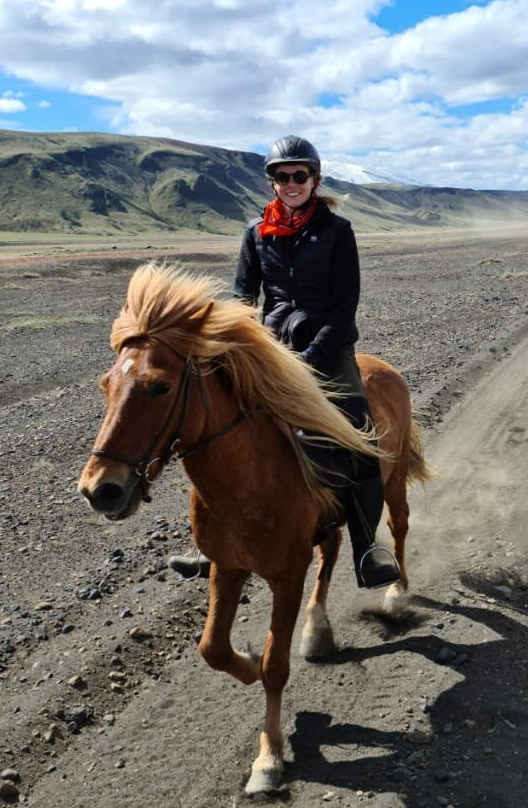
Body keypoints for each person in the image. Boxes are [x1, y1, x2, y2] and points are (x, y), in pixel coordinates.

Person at [168, 135, 401, 589]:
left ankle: (366, 548)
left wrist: (314, 354)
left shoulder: (337, 231)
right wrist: (235, 347)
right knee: (214, 426)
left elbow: (344, 304)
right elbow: (243, 297)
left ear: (315, 180)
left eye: (299, 175)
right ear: (271, 182)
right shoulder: (256, 233)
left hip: (327, 348)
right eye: (282, 176)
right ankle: (211, 544)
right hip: (271, 348)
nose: (290, 183)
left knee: (360, 436)